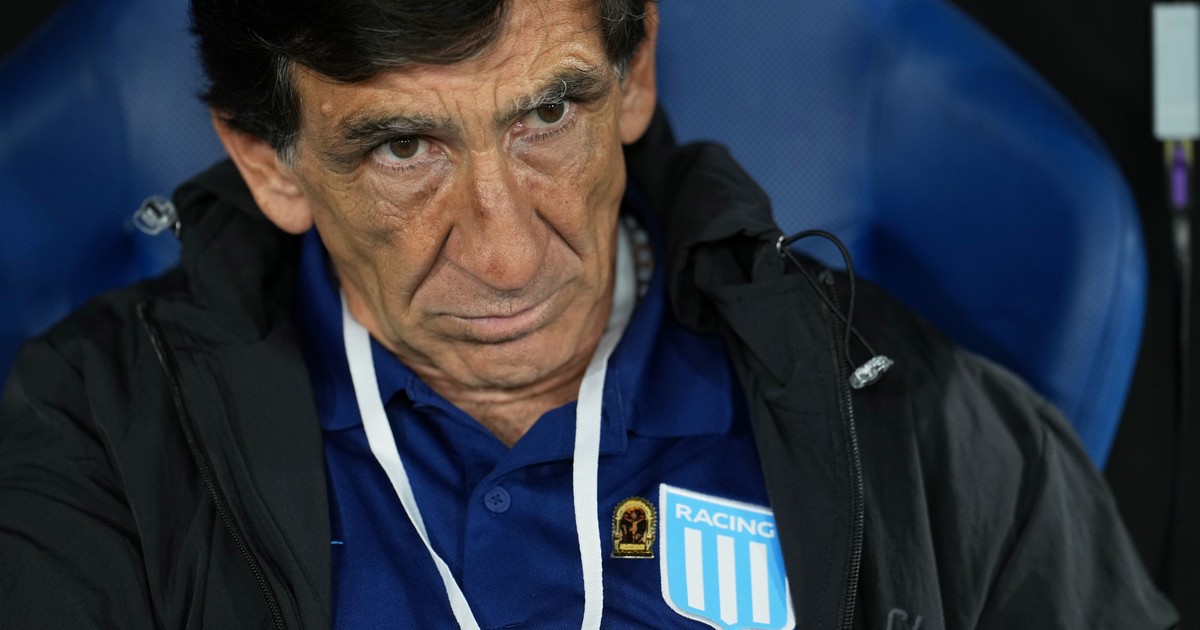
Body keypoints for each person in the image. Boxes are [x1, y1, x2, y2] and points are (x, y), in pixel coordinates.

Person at [0, 0, 1178, 627]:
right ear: (270, 161)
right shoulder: (96, 441)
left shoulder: (928, 429)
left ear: (635, 71)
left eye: (548, 116)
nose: (510, 254)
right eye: (405, 148)